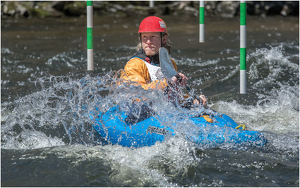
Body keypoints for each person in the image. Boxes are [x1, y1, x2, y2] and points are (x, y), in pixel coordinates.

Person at [120, 16, 207, 108]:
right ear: (141, 39)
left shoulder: (170, 63)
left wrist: (192, 101)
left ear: (164, 39)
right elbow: (137, 94)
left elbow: (173, 98)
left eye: (153, 36)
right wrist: (168, 82)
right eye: (145, 37)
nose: (148, 41)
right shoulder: (134, 64)